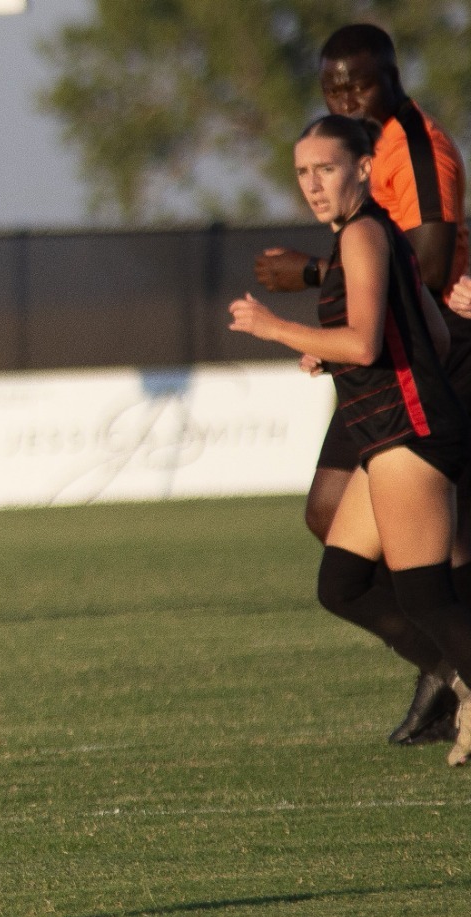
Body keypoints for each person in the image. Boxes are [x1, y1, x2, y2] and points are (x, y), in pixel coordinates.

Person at [254, 24, 471, 744]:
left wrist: (279, 324)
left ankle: (457, 676)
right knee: (344, 577)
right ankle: (450, 675)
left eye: (358, 83)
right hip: (402, 399)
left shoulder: (403, 161)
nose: (347, 94)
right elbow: (417, 322)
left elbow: (429, 275)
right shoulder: (360, 224)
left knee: (428, 587)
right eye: (302, 173)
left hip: (410, 412)